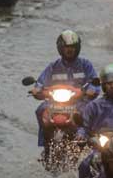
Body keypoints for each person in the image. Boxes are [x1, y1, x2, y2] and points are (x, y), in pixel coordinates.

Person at [31, 30, 99, 161]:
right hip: (55, 103)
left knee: (90, 111)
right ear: (60, 48)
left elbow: (94, 82)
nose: (69, 50)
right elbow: (40, 82)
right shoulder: (53, 67)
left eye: (72, 47)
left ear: (77, 48)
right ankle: (44, 143)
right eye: (66, 47)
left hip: (79, 102)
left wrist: (90, 90)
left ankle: (89, 140)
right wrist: (36, 89)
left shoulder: (86, 65)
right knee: (40, 110)